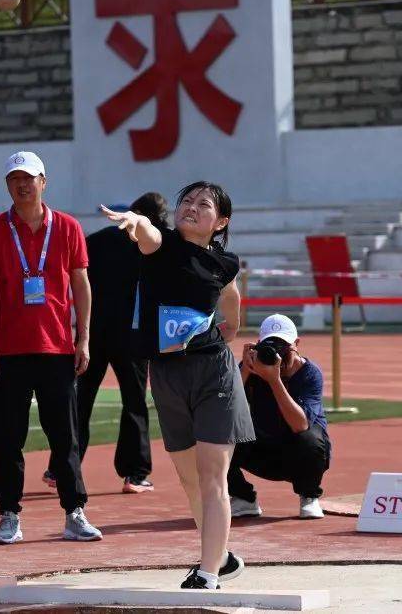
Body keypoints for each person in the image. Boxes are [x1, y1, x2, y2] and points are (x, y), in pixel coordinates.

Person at [101, 181, 254, 590]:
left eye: (203, 204)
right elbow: (147, 234)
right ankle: (221, 558)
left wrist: (232, 328)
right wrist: (136, 222)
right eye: (186, 200)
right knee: (189, 480)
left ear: (220, 221)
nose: (191, 207)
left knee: (212, 475)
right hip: (167, 374)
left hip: (212, 372)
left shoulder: (225, 262)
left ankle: (206, 574)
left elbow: (231, 294)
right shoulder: (161, 245)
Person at [0, 151, 101, 544]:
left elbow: (81, 284)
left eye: (29, 177)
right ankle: (9, 515)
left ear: (43, 181)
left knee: (64, 435)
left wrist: (83, 338)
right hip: (9, 351)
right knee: (7, 437)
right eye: (15, 178)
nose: (22, 184)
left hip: (57, 348)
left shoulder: (67, 227)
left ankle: (74, 512)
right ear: (7, 185)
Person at [44, 192, 168, 495]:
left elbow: (73, 275)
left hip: (94, 333)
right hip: (133, 336)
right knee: (135, 403)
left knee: (79, 402)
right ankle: (135, 474)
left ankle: (61, 469)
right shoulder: (153, 245)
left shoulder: (97, 240)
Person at [229, 314, 330, 520]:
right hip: (263, 450)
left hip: (299, 456)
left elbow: (301, 425)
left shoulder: (310, 374)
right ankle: (243, 498)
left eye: (284, 347)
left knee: (311, 438)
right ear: (258, 346)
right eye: (272, 347)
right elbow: (225, 409)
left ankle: (309, 496)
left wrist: (274, 380)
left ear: (297, 344)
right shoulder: (252, 369)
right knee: (213, 435)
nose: (279, 355)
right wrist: (245, 372)